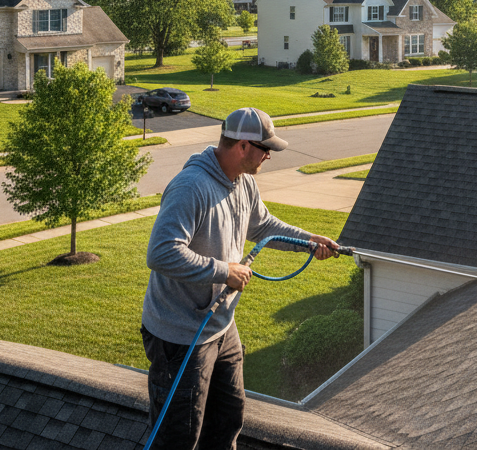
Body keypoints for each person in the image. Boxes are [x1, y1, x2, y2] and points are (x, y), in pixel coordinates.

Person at [141, 106, 339, 449]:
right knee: (179, 436)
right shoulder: (191, 187)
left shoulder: (243, 182)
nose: (269, 156)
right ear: (243, 146)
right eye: (266, 149)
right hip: (181, 336)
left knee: (228, 420)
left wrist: (308, 241)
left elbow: (263, 226)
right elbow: (161, 253)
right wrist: (225, 270)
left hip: (221, 327)